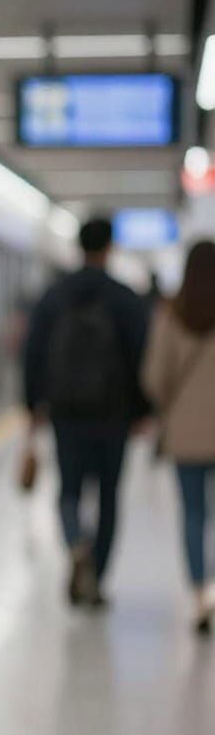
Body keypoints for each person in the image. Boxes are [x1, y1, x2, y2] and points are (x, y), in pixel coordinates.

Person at [23, 216, 150, 608]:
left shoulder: (55, 294)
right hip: (114, 414)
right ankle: (96, 573)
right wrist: (142, 410)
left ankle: (76, 541)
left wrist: (33, 403)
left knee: (69, 490)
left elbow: (33, 352)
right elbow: (141, 355)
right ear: (109, 248)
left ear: (78, 247)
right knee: (109, 496)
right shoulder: (125, 297)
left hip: (66, 412)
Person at [142, 240, 215, 635]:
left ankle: (201, 595)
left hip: (186, 435)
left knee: (193, 514)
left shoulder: (171, 312)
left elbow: (154, 376)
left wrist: (172, 405)